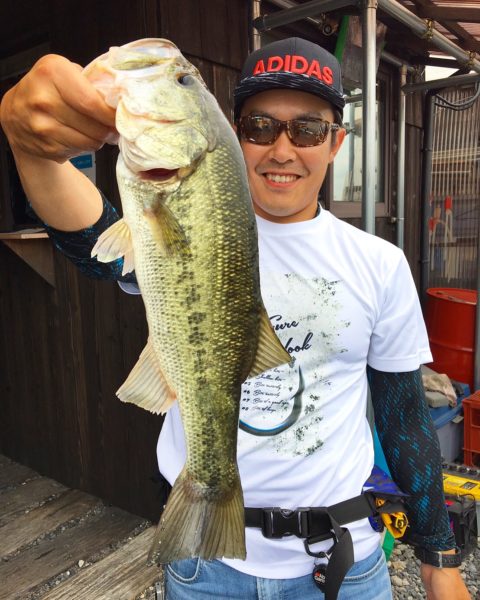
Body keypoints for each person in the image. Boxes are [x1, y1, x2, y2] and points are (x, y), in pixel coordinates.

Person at [0, 37, 472, 600]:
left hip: (340, 559)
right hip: (206, 560)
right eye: (260, 127)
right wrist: (32, 150)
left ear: (336, 143)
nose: (282, 149)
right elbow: (89, 244)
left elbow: (403, 415)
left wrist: (438, 555)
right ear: (233, 133)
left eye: (308, 130)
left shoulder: (380, 263)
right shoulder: (185, 216)